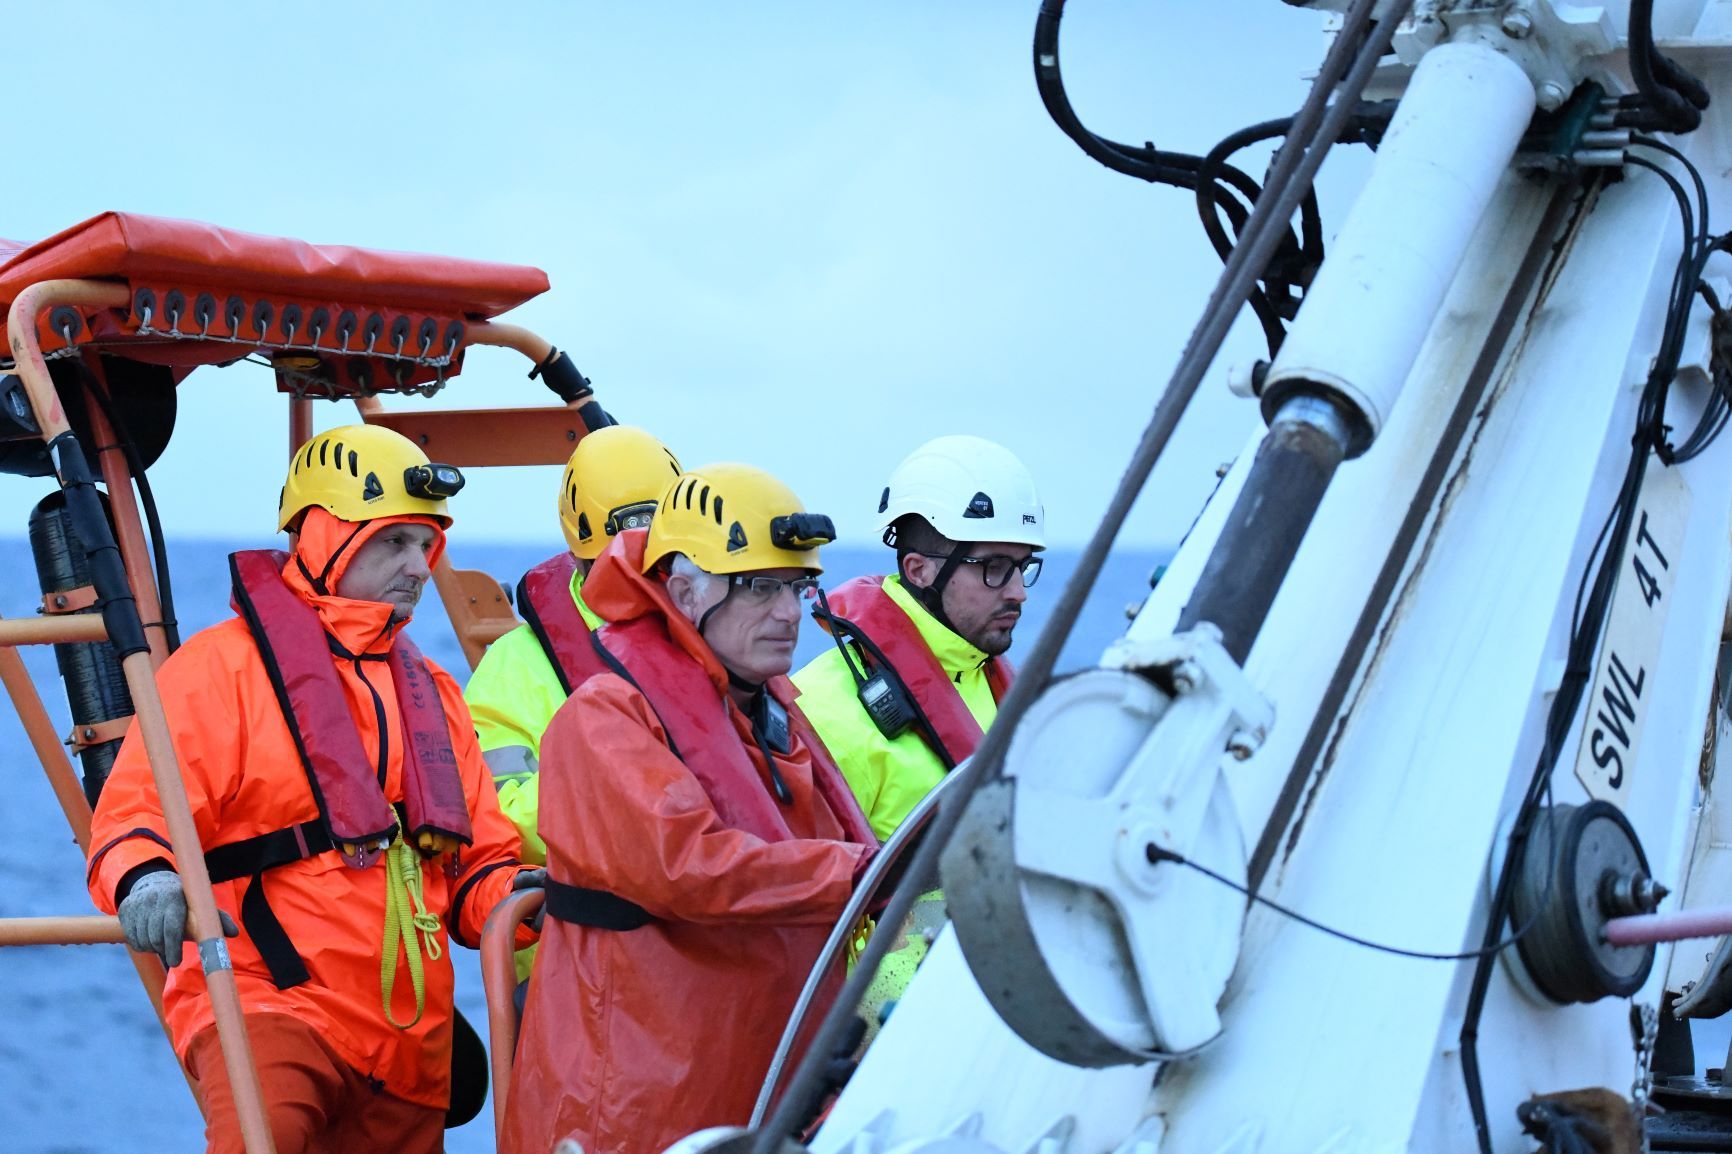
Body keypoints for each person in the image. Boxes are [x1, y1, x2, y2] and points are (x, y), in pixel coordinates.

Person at [87, 424, 538, 1154]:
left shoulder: (437, 696)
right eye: (393, 542)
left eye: (427, 545)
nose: (419, 567)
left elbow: (480, 867)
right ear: (326, 537)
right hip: (271, 1000)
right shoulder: (221, 671)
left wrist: (550, 904)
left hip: (411, 1040)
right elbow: (137, 813)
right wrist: (146, 879)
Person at [503, 463, 878, 1154]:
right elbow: (689, 867)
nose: (791, 612)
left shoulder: (768, 717)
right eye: (761, 587)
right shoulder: (604, 719)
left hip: (757, 1086)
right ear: (683, 589)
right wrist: (862, 875)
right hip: (635, 1109)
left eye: (797, 587)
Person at [794, 434, 1045, 840]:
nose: (1019, 591)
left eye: (1023, 566)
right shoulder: (823, 714)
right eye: (995, 566)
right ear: (918, 570)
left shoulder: (998, 687)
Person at [465, 425, 681, 864]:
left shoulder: (712, 643)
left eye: (656, 558)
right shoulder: (513, 668)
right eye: (620, 558)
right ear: (583, 555)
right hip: (583, 920)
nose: (641, 574)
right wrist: (627, 776)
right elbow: (496, 821)